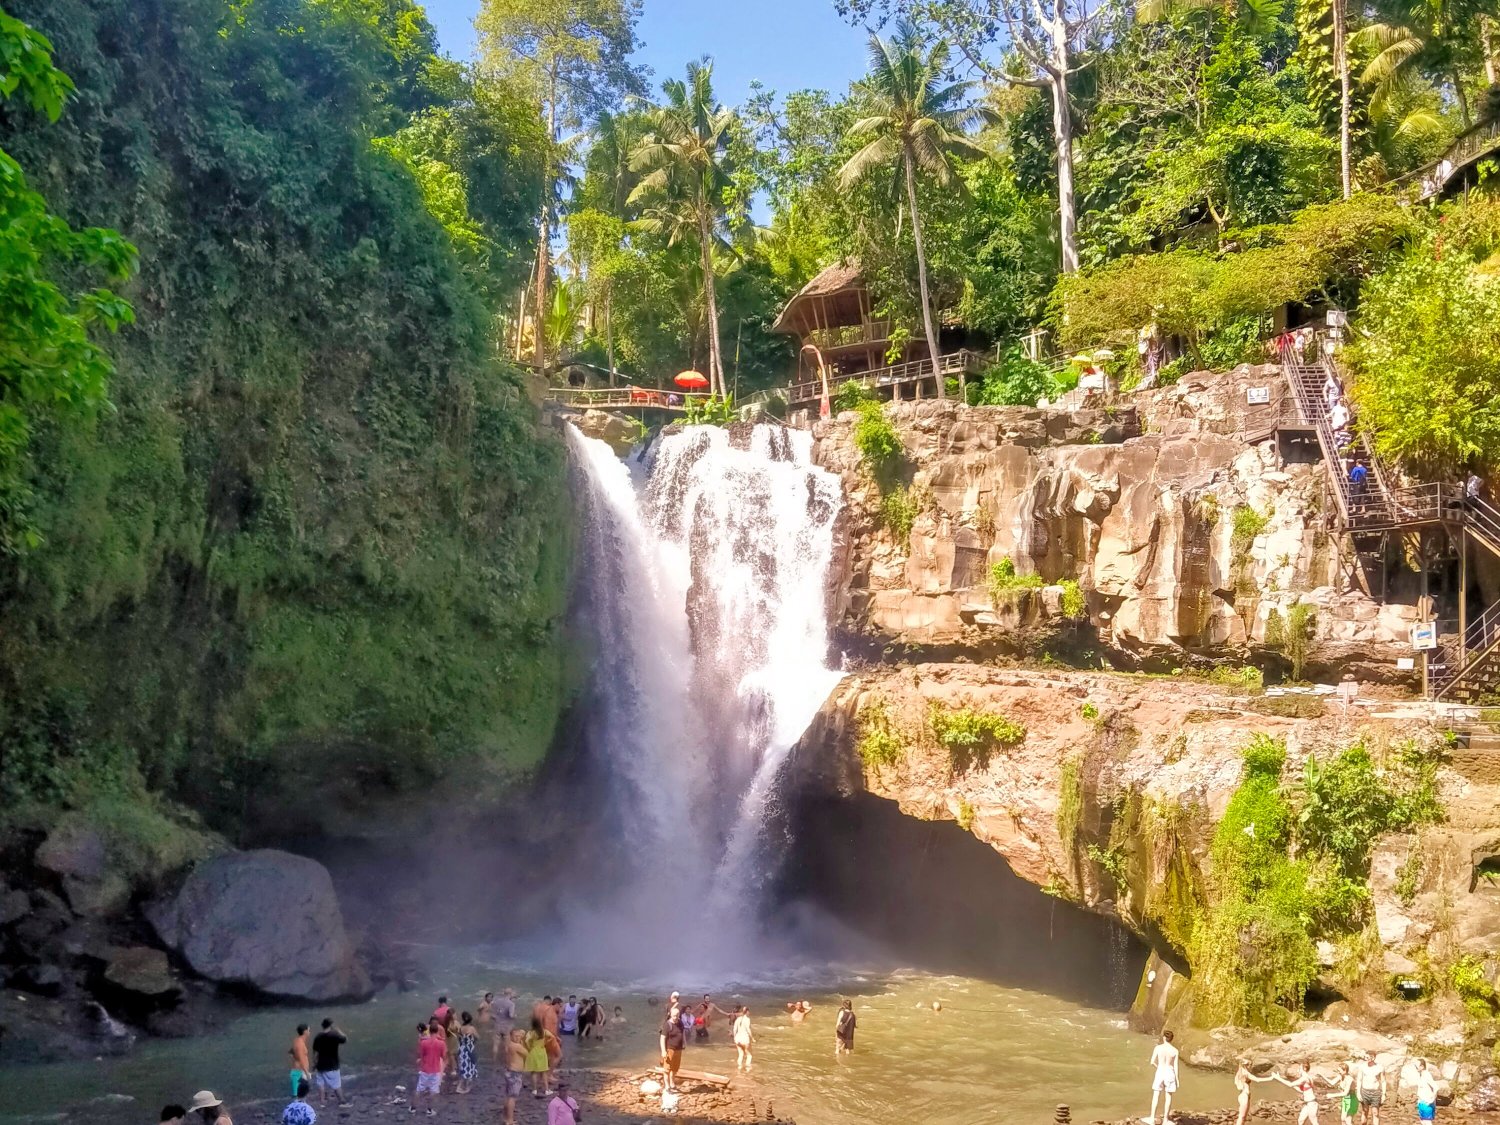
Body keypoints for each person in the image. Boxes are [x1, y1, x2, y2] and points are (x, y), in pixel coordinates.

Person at [311, 1018, 349, 1108]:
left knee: (321, 1083)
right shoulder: (334, 1035)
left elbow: (315, 1052)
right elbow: (345, 1039)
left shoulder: (318, 1036)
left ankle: (322, 1102)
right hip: (332, 1065)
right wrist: (339, 1030)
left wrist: (314, 1064)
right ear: (331, 1025)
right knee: (336, 1084)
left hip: (320, 1065)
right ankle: (342, 1102)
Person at [1147, 1030, 1180, 1125]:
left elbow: (1152, 1062)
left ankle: (1152, 1118)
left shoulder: (1158, 1048)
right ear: (1171, 1039)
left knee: (1156, 1095)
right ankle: (1165, 1120)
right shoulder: (1175, 1051)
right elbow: (1175, 1066)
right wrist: (1177, 1079)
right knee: (1168, 1097)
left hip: (1160, 1071)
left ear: (1164, 1038)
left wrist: (1158, 1067)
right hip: (1170, 1073)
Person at [413, 1022, 445, 1115]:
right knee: (433, 1091)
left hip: (425, 1069)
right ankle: (429, 1110)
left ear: (429, 1031)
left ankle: (412, 1108)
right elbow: (443, 1056)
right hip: (435, 1070)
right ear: (437, 1031)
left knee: (419, 1089)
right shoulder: (441, 1043)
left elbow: (421, 1055)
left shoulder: (423, 1042)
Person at [503, 1027, 527, 1125]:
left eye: (519, 1036)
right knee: (512, 1097)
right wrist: (522, 1039)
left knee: (508, 1096)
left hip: (509, 1072)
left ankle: (505, 1118)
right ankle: (510, 1120)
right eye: (515, 1036)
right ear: (511, 1036)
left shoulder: (509, 1045)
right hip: (515, 1073)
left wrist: (521, 1036)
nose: (518, 1038)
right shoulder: (517, 1046)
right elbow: (527, 1053)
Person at [523, 1016, 552, 1098]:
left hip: (533, 1052)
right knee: (543, 1072)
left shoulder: (530, 1033)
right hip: (542, 1051)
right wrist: (545, 1042)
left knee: (534, 1072)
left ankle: (534, 1090)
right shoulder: (544, 1031)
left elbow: (526, 1040)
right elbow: (551, 1037)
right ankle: (547, 1090)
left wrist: (529, 1047)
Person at [660, 1003, 686, 1092]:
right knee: (667, 1069)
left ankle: (672, 1083)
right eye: (674, 1015)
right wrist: (663, 1051)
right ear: (671, 1015)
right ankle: (667, 1086)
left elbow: (683, 1033)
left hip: (678, 1049)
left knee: (675, 1068)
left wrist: (684, 1042)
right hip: (669, 1049)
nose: (676, 1017)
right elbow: (662, 1038)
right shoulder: (667, 1025)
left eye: (677, 1015)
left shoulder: (680, 1022)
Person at [1235, 1059, 1270, 1125]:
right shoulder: (1245, 1073)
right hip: (1244, 1095)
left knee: (1243, 1117)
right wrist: (1271, 1078)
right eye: (1250, 1064)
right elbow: (1257, 1080)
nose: (1251, 1066)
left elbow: (1237, 1084)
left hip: (1245, 1095)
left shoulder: (1240, 1073)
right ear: (1246, 1065)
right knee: (1242, 1117)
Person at [1358, 1051, 1387, 1125]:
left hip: (1375, 1093)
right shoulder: (1362, 1067)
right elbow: (1359, 1080)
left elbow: (1383, 1081)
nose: (1365, 1059)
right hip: (1364, 1092)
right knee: (1365, 1111)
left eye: (1367, 1057)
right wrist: (1358, 1092)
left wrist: (1383, 1094)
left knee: (1375, 1113)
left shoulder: (1380, 1067)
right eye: (1365, 1057)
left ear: (1373, 1058)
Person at [455, 1011, 478, 1095]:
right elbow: (477, 1037)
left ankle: (460, 1086)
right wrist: (473, 1041)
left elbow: (459, 1039)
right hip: (470, 1048)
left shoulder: (460, 1028)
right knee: (470, 1066)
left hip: (462, 1049)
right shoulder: (471, 1028)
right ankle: (467, 1087)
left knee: (463, 1067)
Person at [288, 1023, 311, 1099]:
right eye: (308, 1030)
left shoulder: (297, 1041)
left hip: (296, 1071)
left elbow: (291, 1052)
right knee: (300, 1095)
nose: (309, 1032)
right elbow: (301, 1059)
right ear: (305, 1032)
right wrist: (306, 1072)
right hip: (300, 1072)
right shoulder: (300, 1044)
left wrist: (294, 1059)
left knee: (297, 1094)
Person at [1413, 1059, 1438, 1124]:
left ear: (1422, 1066)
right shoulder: (1421, 1075)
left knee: (1427, 1121)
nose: (1415, 1067)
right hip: (1421, 1101)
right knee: (1422, 1120)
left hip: (1427, 1102)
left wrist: (1431, 1100)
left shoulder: (1427, 1075)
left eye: (1416, 1065)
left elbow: (1436, 1087)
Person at [732, 1005, 754, 1073]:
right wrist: (752, 1038)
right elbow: (748, 1029)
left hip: (738, 1039)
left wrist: (734, 1038)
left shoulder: (738, 1019)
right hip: (745, 1039)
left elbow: (734, 1029)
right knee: (749, 1055)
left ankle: (739, 1068)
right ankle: (748, 1071)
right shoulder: (747, 1019)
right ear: (747, 1012)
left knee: (740, 1054)